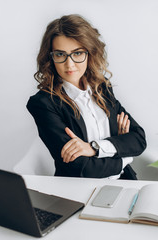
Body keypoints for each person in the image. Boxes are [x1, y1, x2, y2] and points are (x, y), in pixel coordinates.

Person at [27, 14, 146, 179]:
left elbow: (138, 139)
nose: (69, 64)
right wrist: (123, 154)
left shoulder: (102, 87)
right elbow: (83, 169)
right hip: (78, 190)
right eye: (60, 54)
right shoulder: (43, 104)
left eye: (77, 53)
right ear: (50, 57)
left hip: (123, 181)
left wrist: (94, 148)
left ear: (90, 53)